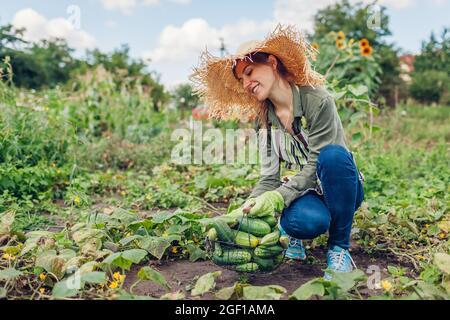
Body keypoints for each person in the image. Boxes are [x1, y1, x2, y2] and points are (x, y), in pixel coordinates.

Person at [190, 24, 365, 279]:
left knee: (333, 156)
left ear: (272, 62)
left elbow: (319, 161)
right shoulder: (263, 119)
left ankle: (339, 249)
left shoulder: (317, 101)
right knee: (303, 222)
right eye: (243, 79)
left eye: (250, 72)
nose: (247, 83)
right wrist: (245, 209)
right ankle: (293, 234)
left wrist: (278, 198)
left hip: (342, 187)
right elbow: (269, 176)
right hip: (306, 192)